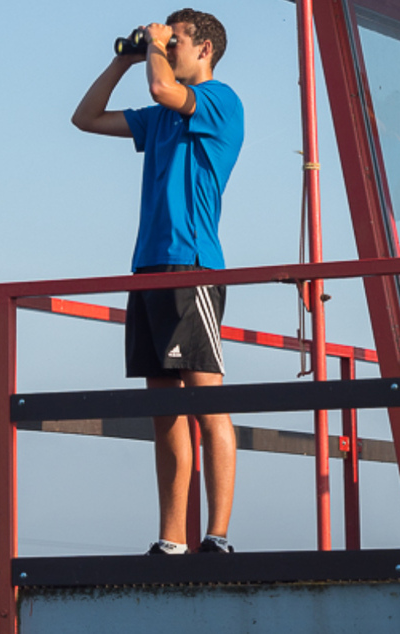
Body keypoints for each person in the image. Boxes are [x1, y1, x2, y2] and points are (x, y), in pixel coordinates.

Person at [72, 8, 243, 555]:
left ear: (205, 50)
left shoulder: (221, 101)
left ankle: (216, 533)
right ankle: (172, 536)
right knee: (163, 409)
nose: (168, 49)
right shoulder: (161, 115)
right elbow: (85, 117)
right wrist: (123, 56)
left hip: (192, 264)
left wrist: (153, 49)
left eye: (178, 42)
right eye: (165, 43)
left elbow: (166, 90)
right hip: (147, 267)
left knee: (206, 402)